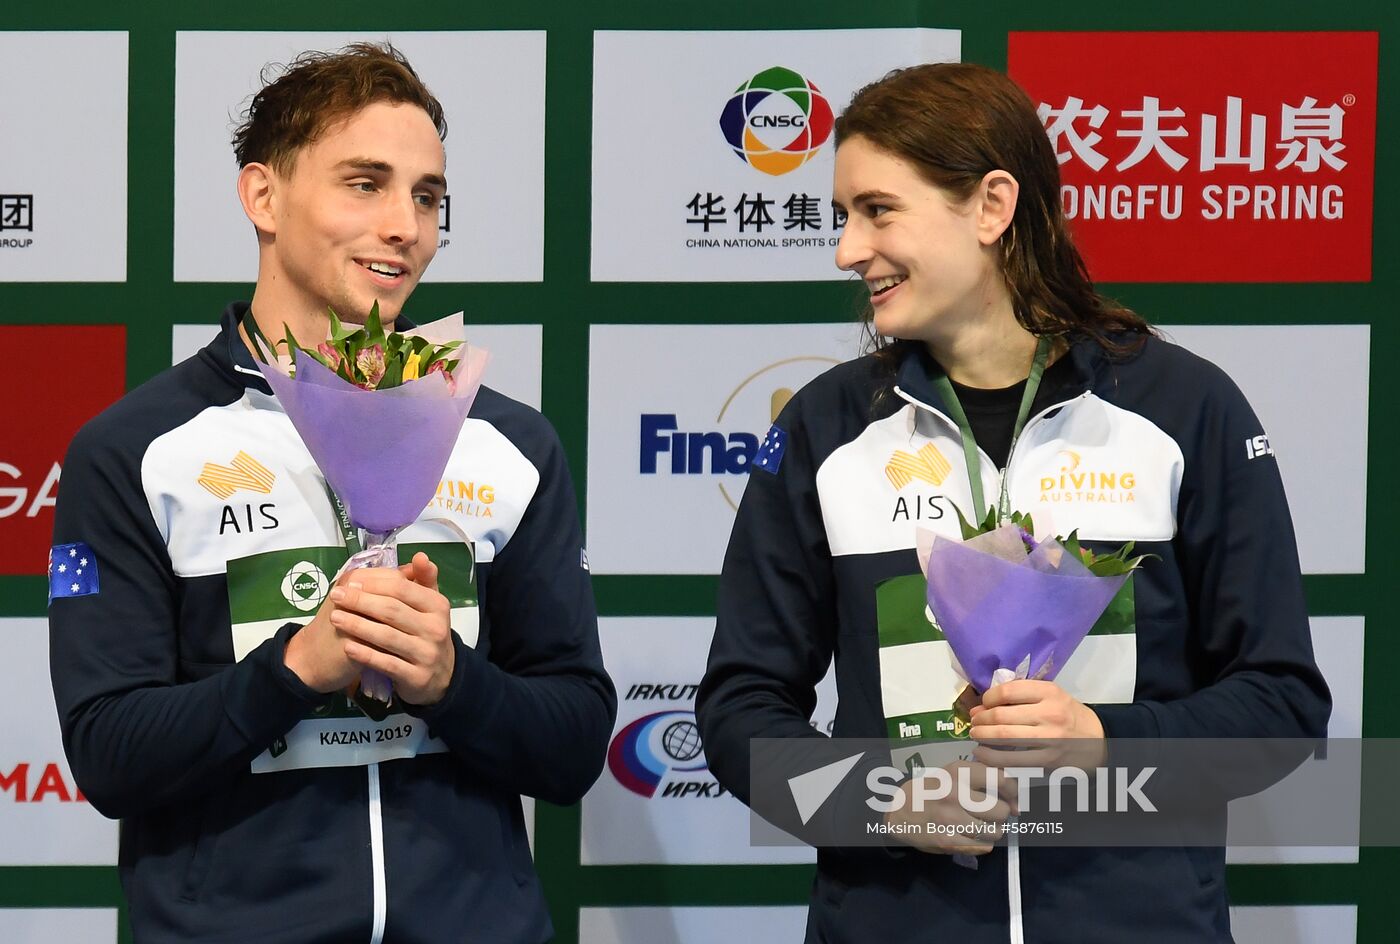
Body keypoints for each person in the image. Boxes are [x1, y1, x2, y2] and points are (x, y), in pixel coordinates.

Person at [697, 62, 1330, 943]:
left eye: (877, 211)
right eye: (845, 216)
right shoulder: (824, 428)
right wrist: (881, 806)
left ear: (992, 207)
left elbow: (1282, 705)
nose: (846, 249)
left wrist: (1107, 745)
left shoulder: (1186, 411)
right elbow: (737, 717)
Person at [49, 43, 615, 944]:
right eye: (365, 183)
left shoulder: (508, 442)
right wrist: (294, 671)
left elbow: (576, 739)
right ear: (262, 197)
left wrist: (449, 681)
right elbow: (111, 756)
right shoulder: (136, 451)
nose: (405, 226)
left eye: (428, 196)